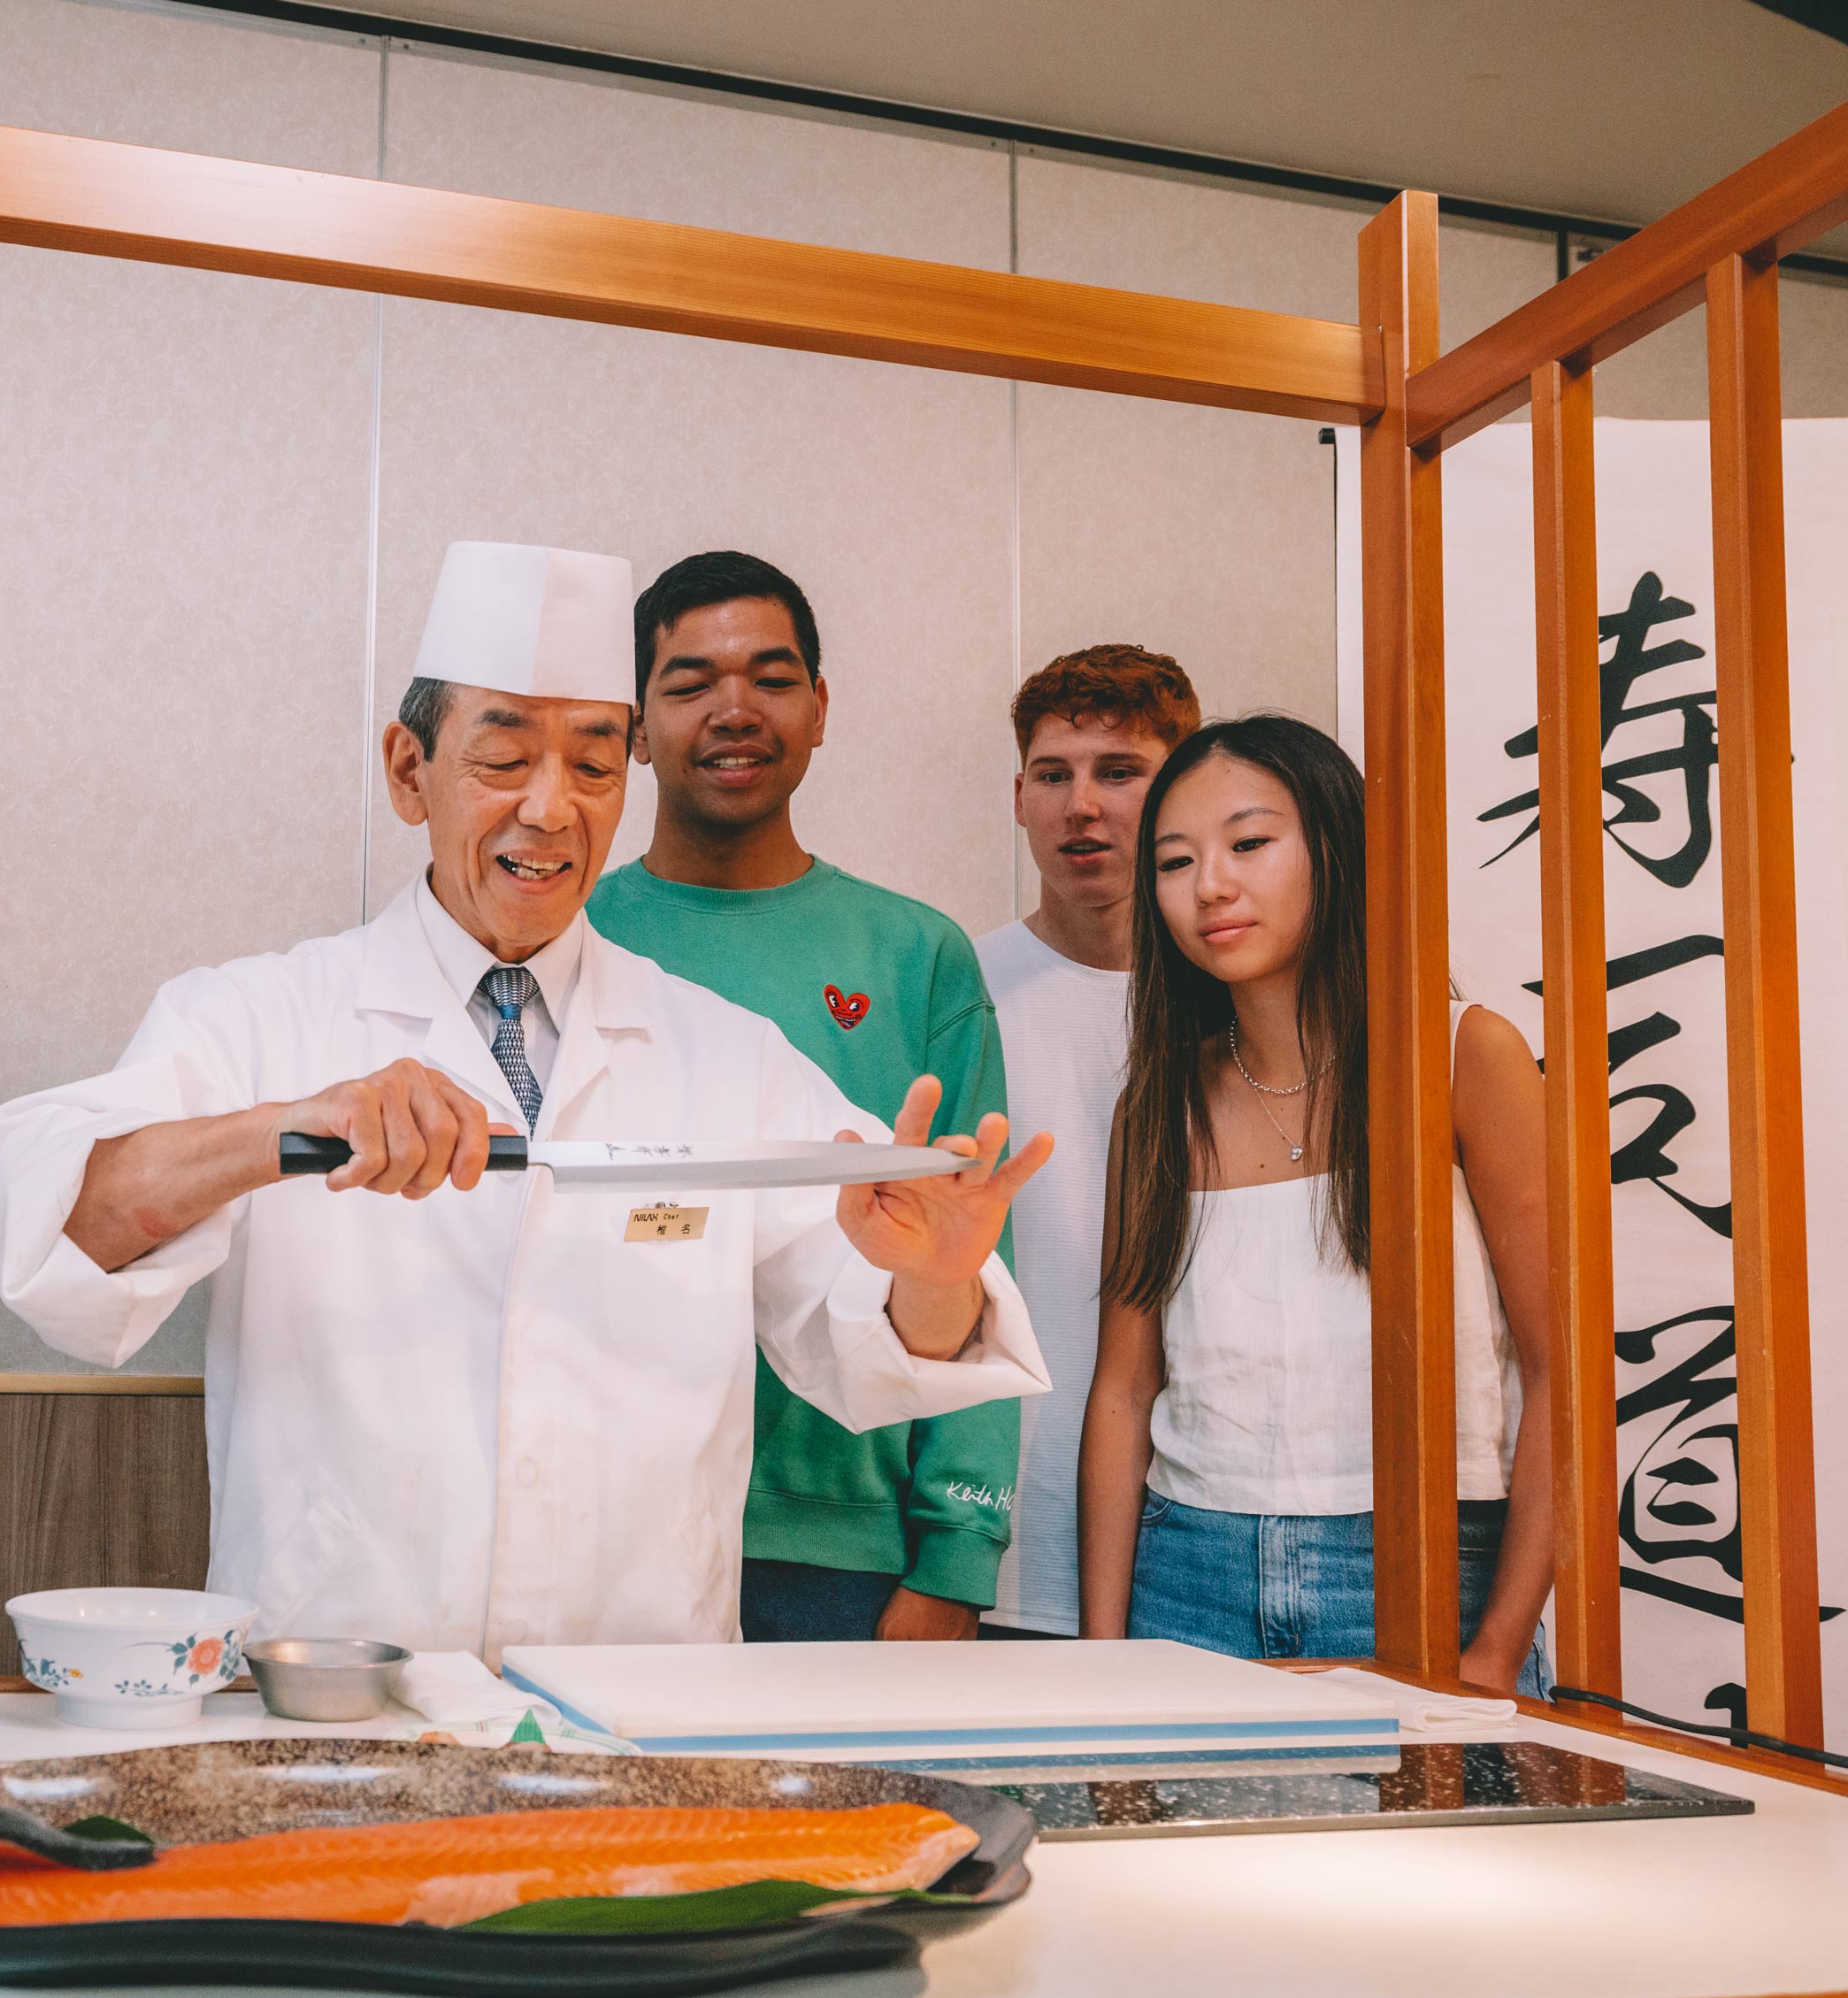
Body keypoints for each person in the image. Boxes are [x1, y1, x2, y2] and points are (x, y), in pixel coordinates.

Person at [0, 540, 1053, 1659]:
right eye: (502, 758)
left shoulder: (729, 1054)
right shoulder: (257, 1014)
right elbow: (60, 1232)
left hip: (645, 1695)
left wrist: (938, 1275)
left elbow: (868, 1341)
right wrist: (287, 1129)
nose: (551, 810)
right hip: (341, 1692)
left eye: (594, 766)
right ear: (407, 769)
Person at [585, 551, 1018, 1644]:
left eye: (772, 678)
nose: (735, 709)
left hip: (844, 1548)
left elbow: (975, 1247)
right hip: (605, 1528)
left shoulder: (915, 954)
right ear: (634, 724)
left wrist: (956, 1559)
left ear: (821, 708)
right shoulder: (570, 940)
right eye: (688, 684)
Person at [1073, 715, 1554, 1693]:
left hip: (1427, 1564)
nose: (1211, 884)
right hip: (1188, 1574)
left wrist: (1498, 1648)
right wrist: (1103, 1659)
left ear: (1336, 846)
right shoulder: (1160, 1098)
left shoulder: (1466, 1055)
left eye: (1249, 843)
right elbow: (1124, 1390)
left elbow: (1562, 1371)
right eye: (1174, 860)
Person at [969, 644, 1200, 1636]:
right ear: (1018, 796)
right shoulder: (960, 989)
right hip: (1005, 1538)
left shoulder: (1245, 1003)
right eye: (1054, 775)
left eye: (1120, 772)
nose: (1082, 806)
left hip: (1210, 1540)